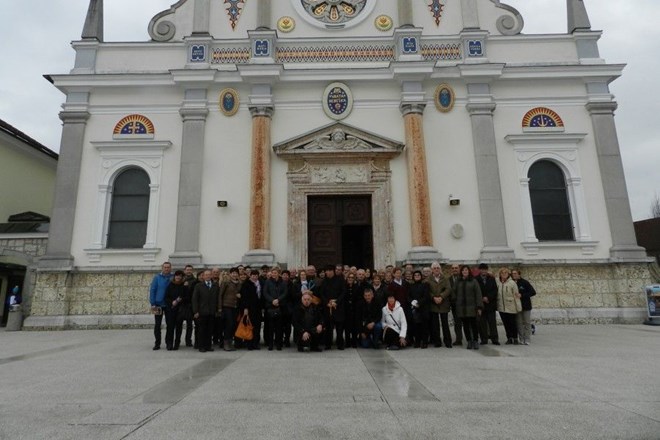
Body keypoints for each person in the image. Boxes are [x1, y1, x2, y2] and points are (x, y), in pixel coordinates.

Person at [317, 264, 346, 350]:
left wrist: (336, 301)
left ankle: (340, 344)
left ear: (333, 271)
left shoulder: (340, 280)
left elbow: (343, 292)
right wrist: (327, 302)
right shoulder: (324, 281)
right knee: (328, 327)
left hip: (338, 307)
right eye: (327, 271)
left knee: (339, 327)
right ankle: (328, 344)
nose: (327, 272)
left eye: (329, 271)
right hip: (328, 307)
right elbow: (321, 294)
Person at [454, 265, 483, 350]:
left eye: (466, 270)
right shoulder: (458, 281)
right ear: (461, 272)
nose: (465, 272)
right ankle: (469, 341)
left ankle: (475, 341)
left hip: (472, 307)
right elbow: (454, 291)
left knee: (474, 325)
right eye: (463, 270)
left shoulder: (473, 281)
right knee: (465, 325)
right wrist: (455, 301)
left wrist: (479, 307)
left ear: (469, 271)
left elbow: (478, 294)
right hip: (462, 308)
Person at [426, 262, 453, 348]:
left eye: (438, 268)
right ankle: (437, 341)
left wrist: (441, 297)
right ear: (432, 270)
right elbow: (427, 291)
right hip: (433, 304)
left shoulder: (445, 278)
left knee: (445, 323)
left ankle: (448, 341)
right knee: (435, 324)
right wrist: (433, 297)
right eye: (435, 268)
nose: (436, 269)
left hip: (443, 303)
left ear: (440, 269)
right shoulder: (428, 279)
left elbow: (448, 289)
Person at [192, 270, 219, 353]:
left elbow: (217, 299)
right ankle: (201, 346)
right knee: (201, 330)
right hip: (201, 311)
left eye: (209, 275)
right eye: (206, 275)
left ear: (211, 276)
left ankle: (208, 346)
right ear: (203, 276)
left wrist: (217, 310)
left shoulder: (215, 286)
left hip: (212, 311)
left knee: (210, 330)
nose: (207, 276)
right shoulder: (198, 286)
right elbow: (194, 299)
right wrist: (195, 311)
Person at [263, 267, 288, 351]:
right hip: (270, 306)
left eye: (275, 273)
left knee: (279, 327)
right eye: (273, 273)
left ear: (278, 273)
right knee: (270, 327)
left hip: (280, 306)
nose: (274, 274)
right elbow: (265, 293)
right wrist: (272, 300)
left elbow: (285, 293)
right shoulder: (267, 281)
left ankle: (279, 344)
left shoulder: (283, 282)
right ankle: (270, 344)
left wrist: (278, 300)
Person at [149, 262, 173, 350]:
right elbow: (153, 290)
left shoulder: (173, 277)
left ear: (170, 268)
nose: (166, 269)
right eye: (165, 267)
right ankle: (157, 343)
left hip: (169, 305)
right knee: (157, 324)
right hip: (158, 305)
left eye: (168, 267)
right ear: (162, 268)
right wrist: (153, 303)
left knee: (169, 324)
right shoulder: (157, 278)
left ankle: (169, 343)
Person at [497, 267, 523, 345]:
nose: (504, 274)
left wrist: (518, 307)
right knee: (506, 324)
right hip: (501, 306)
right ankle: (509, 338)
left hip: (511, 306)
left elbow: (516, 296)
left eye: (505, 273)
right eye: (502, 273)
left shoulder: (512, 283)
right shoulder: (498, 283)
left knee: (512, 323)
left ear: (508, 274)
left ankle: (515, 338)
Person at [238, 269, 262, 350]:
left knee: (257, 326)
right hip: (250, 308)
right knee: (249, 326)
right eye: (253, 275)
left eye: (256, 275)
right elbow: (244, 297)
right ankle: (249, 343)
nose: (255, 277)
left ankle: (256, 343)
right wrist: (245, 308)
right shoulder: (246, 284)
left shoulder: (260, 284)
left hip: (258, 308)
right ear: (250, 276)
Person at [476, 263, 499, 345]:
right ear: (480, 270)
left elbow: (495, 290)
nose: (483, 271)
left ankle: (495, 339)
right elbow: (475, 291)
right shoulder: (476, 279)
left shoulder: (491, 279)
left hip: (490, 304)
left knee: (492, 322)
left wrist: (488, 297)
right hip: (481, 304)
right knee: (482, 323)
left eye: (485, 269)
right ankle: (484, 339)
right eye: (482, 269)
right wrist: (482, 298)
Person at [219, 267, 242, 351]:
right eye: (233, 273)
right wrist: (219, 307)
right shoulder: (226, 282)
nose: (234, 274)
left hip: (235, 306)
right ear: (230, 274)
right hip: (227, 306)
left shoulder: (239, 283)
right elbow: (220, 295)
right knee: (229, 324)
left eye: (236, 273)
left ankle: (230, 342)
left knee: (234, 325)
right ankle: (226, 343)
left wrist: (240, 296)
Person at [512, 269, 536, 345]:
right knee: (518, 323)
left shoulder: (525, 282)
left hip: (526, 306)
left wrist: (522, 295)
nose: (514, 275)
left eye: (515, 273)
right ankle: (521, 338)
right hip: (516, 306)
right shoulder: (511, 283)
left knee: (527, 322)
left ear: (519, 274)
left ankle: (527, 338)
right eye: (513, 274)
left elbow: (533, 292)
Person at [164, 270, 186, 350]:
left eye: (180, 276)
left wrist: (180, 300)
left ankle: (177, 343)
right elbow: (166, 297)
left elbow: (186, 296)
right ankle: (169, 343)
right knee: (170, 327)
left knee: (179, 327)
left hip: (180, 310)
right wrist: (172, 302)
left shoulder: (184, 285)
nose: (178, 277)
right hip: (171, 309)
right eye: (177, 275)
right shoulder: (170, 285)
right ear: (174, 276)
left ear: (182, 277)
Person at [408, 270, 431, 348]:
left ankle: (425, 342)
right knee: (416, 326)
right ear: (413, 277)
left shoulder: (425, 285)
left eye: (418, 275)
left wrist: (419, 303)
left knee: (424, 326)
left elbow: (426, 296)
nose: (417, 276)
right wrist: (412, 302)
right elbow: (408, 296)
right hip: (415, 309)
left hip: (423, 308)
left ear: (421, 276)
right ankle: (417, 341)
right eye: (415, 275)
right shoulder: (411, 286)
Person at [447, 264, 463, 346]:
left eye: (456, 268)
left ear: (459, 269)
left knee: (468, 322)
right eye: (453, 268)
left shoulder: (463, 278)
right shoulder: (448, 280)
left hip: (464, 304)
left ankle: (471, 338)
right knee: (457, 323)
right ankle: (459, 339)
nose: (454, 269)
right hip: (454, 305)